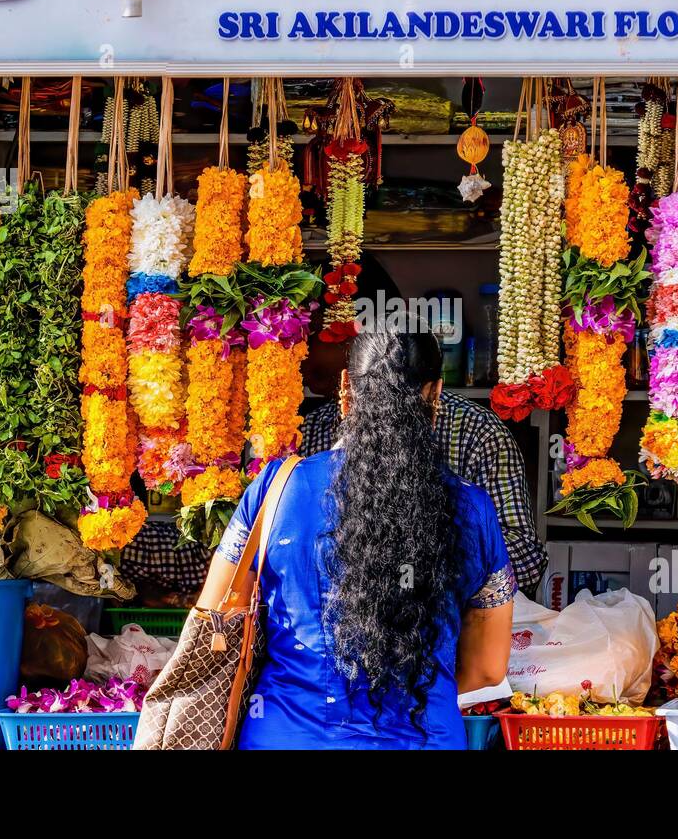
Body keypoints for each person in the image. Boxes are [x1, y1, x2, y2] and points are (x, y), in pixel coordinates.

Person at [196, 329, 515, 749]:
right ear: (436, 393)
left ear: (346, 387)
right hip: (423, 737)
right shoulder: (473, 510)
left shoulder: (277, 489)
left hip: (287, 733)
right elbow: (487, 669)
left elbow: (214, 614)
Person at [301, 258, 547, 596]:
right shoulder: (308, 433)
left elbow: (527, 560)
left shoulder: (477, 434)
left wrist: (423, 566)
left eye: (314, 331)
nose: (299, 349)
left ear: (361, 337)